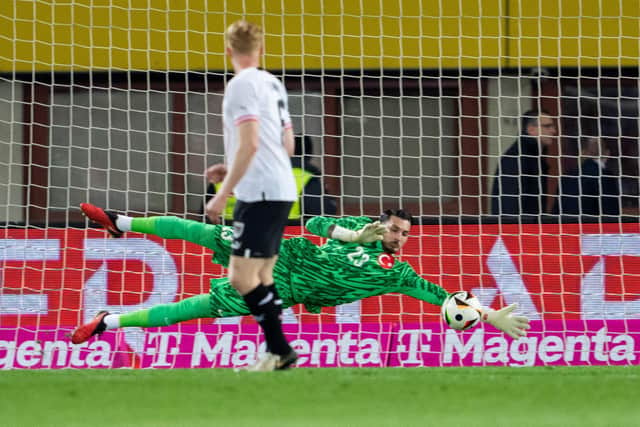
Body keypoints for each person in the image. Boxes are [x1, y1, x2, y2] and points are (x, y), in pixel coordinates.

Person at [71, 203, 530, 356]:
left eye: (405, 234)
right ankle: (122, 222)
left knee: (195, 310)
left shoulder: (400, 274)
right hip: (284, 250)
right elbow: (311, 224)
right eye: (394, 229)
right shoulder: (362, 226)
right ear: (383, 222)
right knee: (208, 231)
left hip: (284, 289)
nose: (399, 237)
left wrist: (489, 315)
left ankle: (109, 322)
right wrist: (353, 232)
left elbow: (444, 298)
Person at [204, 20, 298, 370]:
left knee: (240, 277)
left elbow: (251, 142)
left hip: (257, 193)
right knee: (262, 276)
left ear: (228, 50)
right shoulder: (273, 83)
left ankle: (280, 349)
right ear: (261, 49)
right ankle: (278, 352)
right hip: (281, 188)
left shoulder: (240, 85)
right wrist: (232, 168)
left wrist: (221, 195)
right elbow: (285, 145)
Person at [204, 135, 337, 222]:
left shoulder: (227, 176)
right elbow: (322, 217)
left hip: (223, 245)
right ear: (308, 155)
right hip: (286, 246)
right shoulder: (305, 179)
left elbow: (204, 216)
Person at [491, 109, 557, 219]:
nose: (553, 131)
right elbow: (509, 205)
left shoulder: (534, 156)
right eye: (547, 126)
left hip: (530, 229)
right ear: (531, 129)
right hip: (519, 231)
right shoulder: (516, 158)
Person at [553, 136, 621, 219]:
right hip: (592, 229)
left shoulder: (567, 177)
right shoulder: (605, 176)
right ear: (607, 153)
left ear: (583, 152)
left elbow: (556, 211)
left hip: (566, 229)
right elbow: (611, 212)